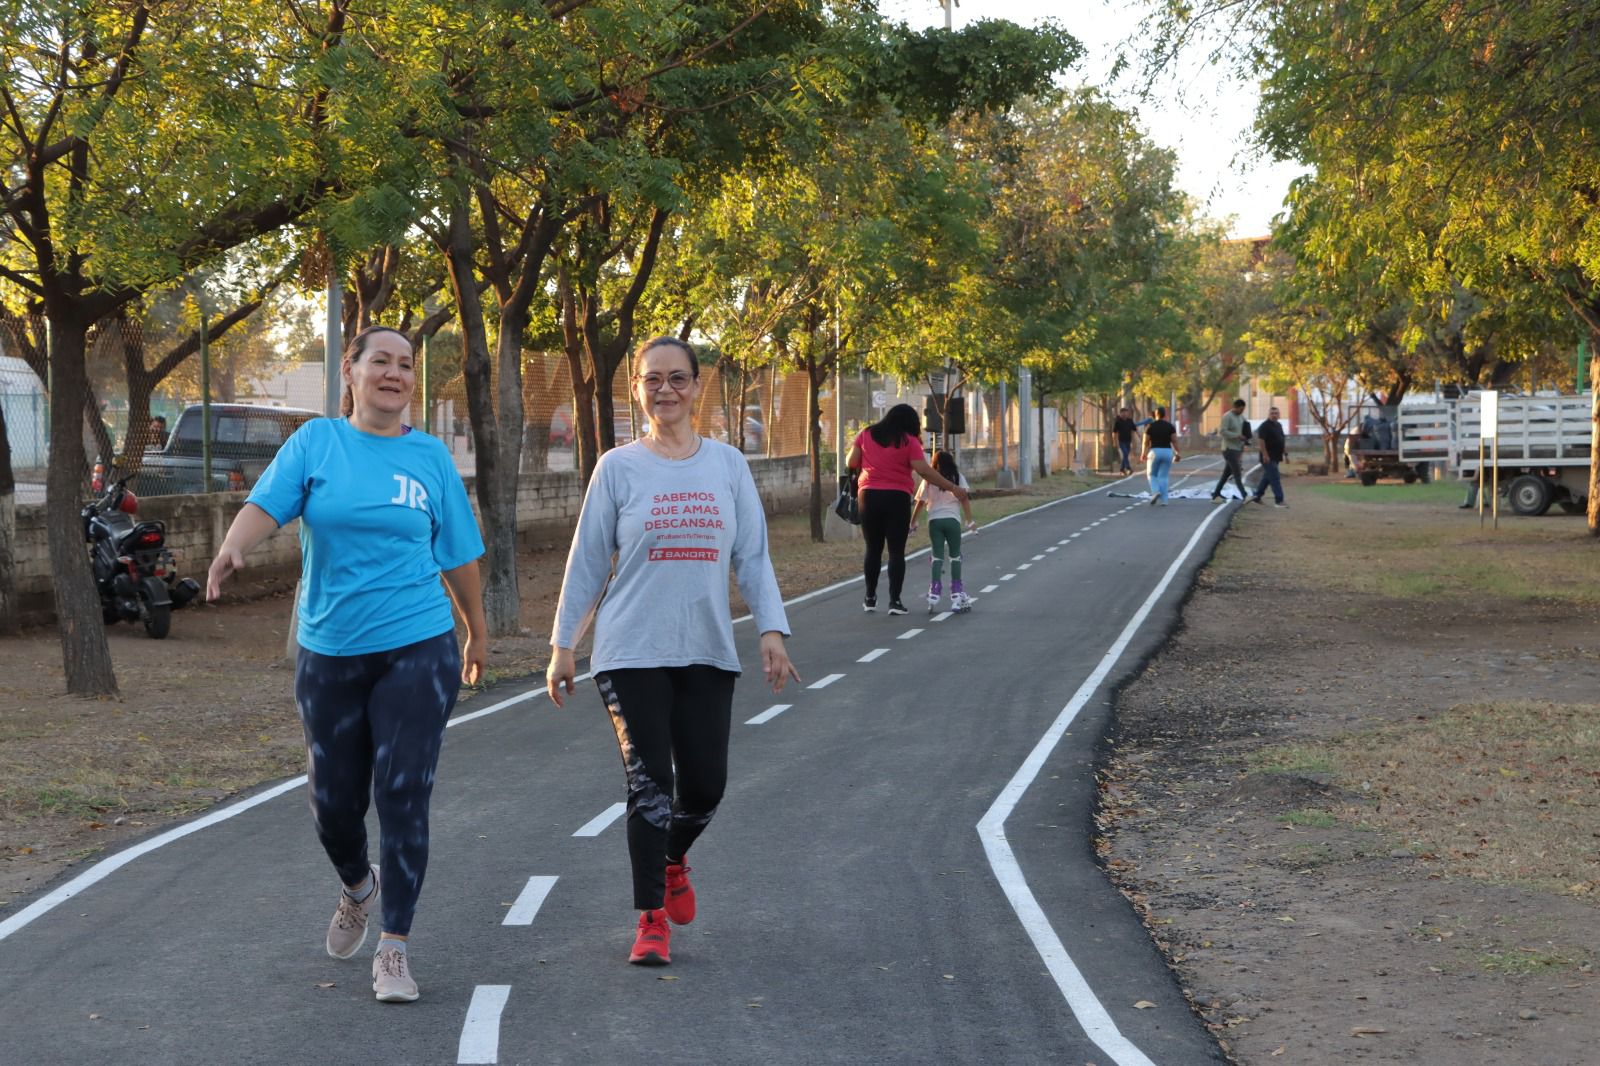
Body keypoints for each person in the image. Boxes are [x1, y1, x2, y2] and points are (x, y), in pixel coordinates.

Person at [206, 325, 487, 1005]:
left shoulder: (430, 458)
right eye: (380, 361)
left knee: (402, 791)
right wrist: (234, 546)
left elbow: (457, 554)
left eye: (405, 364)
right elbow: (265, 504)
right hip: (329, 650)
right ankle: (359, 886)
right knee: (333, 803)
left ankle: (395, 947)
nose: (394, 373)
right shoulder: (316, 443)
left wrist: (476, 632)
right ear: (351, 373)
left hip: (418, 644)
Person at [547, 336, 801, 968]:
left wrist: (771, 631)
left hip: (707, 647)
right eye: (652, 379)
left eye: (677, 378)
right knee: (650, 786)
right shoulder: (617, 468)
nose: (666, 389)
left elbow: (753, 555)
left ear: (696, 386)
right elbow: (586, 562)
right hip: (630, 649)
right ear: (637, 388)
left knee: (706, 787)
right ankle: (650, 919)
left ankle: (673, 857)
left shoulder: (727, 465)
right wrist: (563, 646)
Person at [846, 404, 969, 615]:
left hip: (869, 496)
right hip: (897, 497)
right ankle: (895, 602)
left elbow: (851, 461)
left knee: (873, 548)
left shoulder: (866, 434)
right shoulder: (909, 441)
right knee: (896, 551)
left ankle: (870, 598)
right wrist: (952, 487)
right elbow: (924, 471)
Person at [909, 449, 977, 613]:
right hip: (953, 521)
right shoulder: (958, 477)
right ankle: (956, 591)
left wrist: (913, 522)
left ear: (934, 464)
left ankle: (934, 590)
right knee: (955, 556)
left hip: (935, 521)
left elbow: (920, 503)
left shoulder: (928, 480)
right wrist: (970, 521)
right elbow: (964, 499)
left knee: (937, 556)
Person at [1211, 398, 1249, 502]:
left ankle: (1215, 495)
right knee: (1237, 473)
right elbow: (1222, 431)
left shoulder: (1241, 417)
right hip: (1229, 448)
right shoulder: (1227, 416)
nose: (1242, 411)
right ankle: (1245, 496)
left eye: (1243, 409)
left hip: (1237, 448)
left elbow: (1244, 429)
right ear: (1235, 407)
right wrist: (1237, 435)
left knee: (1226, 474)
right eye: (1240, 409)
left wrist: (1245, 438)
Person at [1251, 405, 1288, 508]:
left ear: (1279, 415)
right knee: (1275, 477)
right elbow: (1261, 441)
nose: (1274, 415)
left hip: (1277, 456)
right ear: (1268, 415)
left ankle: (1257, 496)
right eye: (1272, 413)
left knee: (1267, 477)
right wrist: (1265, 455)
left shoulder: (1279, 425)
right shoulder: (1264, 426)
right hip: (1268, 457)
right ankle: (1279, 500)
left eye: (1276, 413)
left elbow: (1282, 439)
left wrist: (1285, 453)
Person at [1142, 406, 1180, 505]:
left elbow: (1145, 442)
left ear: (1155, 414)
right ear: (1165, 415)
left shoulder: (1150, 426)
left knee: (1151, 474)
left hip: (1154, 451)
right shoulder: (1170, 426)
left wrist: (1143, 453)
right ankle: (1164, 500)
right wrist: (1177, 453)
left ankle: (1155, 491)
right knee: (1164, 476)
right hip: (1167, 452)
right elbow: (1174, 441)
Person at [1111, 408, 1138, 475]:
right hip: (1121, 441)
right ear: (1120, 413)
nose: (1125, 414)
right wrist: (1114, 441)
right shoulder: (1118, 421)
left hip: (1128, 441)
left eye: (1126, 413)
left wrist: (1137, 437)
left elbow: (1134, 429)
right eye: (1123, 413)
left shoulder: (1130, 421)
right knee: (1125, 453)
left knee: (1125, 455)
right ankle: (1128, 468)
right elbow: (1114, 432)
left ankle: (1122, 469)